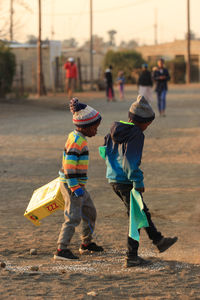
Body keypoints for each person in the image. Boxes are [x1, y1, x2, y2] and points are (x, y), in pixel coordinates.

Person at [101, 95, 177, 267]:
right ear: (143, 122)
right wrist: (137, 181)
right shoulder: (136, 134)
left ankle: (158, 240)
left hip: (113, 178)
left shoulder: (114, 129)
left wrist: (113, 170)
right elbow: (130, 161)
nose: (147, 127)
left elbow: (104, 150)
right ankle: (132, 256)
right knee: (136, 216)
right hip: (127, 181)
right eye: (148, 124)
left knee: (141, 211)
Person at [54, 98, 104, 260]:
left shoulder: (79, 138)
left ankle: (86, 243)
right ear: (86, 126)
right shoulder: (77, 141)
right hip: (72, 186)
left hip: (78, 185)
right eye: (95, 127)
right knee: (73, 216)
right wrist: (75, 188)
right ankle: (61, 249)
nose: (96, 131)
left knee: (90, 212)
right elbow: (69, 167)